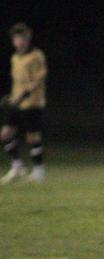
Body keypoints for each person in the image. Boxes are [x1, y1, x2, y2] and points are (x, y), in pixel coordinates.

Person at [1, 23, 47, 184]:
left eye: (23, 38)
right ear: (13, 40)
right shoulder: (14, 57)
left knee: (32, 137)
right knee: (5, 134)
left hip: (33, 102)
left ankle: (39, 171)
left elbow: (40, 78)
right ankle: (17, 167)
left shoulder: (36, 55)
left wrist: (26, 92)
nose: (20, 41)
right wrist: (12, 97)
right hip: (16, 102)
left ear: (28, 38)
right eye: (17, 38)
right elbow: (17, 81)